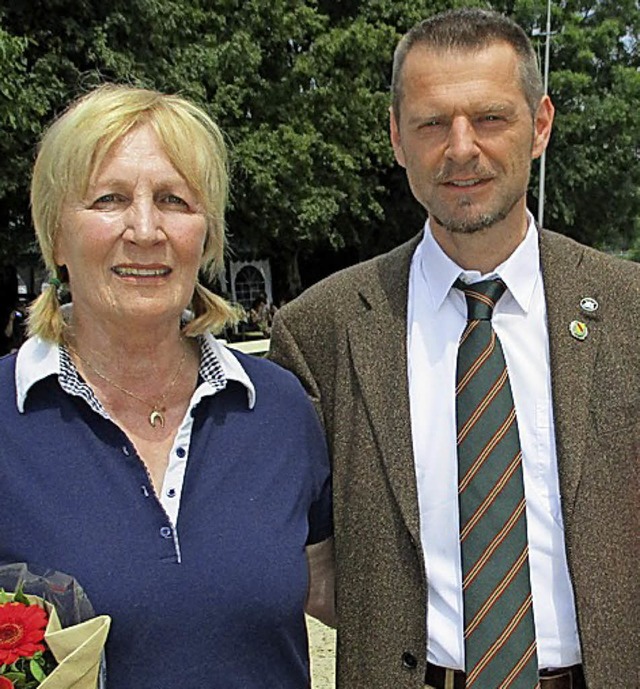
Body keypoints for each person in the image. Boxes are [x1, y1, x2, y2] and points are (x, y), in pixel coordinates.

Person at [270, 8, 639, 689]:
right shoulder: (320, 330)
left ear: (541, 124)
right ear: (395, 136)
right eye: (433, 123)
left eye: (491, 118)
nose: (461, 147)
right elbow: (299, 563)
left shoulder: (630, 308)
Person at [0, 84, 334, 689]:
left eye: (175, 200)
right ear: (54, 235)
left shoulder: (279, 408)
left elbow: (344, 591)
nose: (146, 229)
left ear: (205, 236)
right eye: (109, 199)